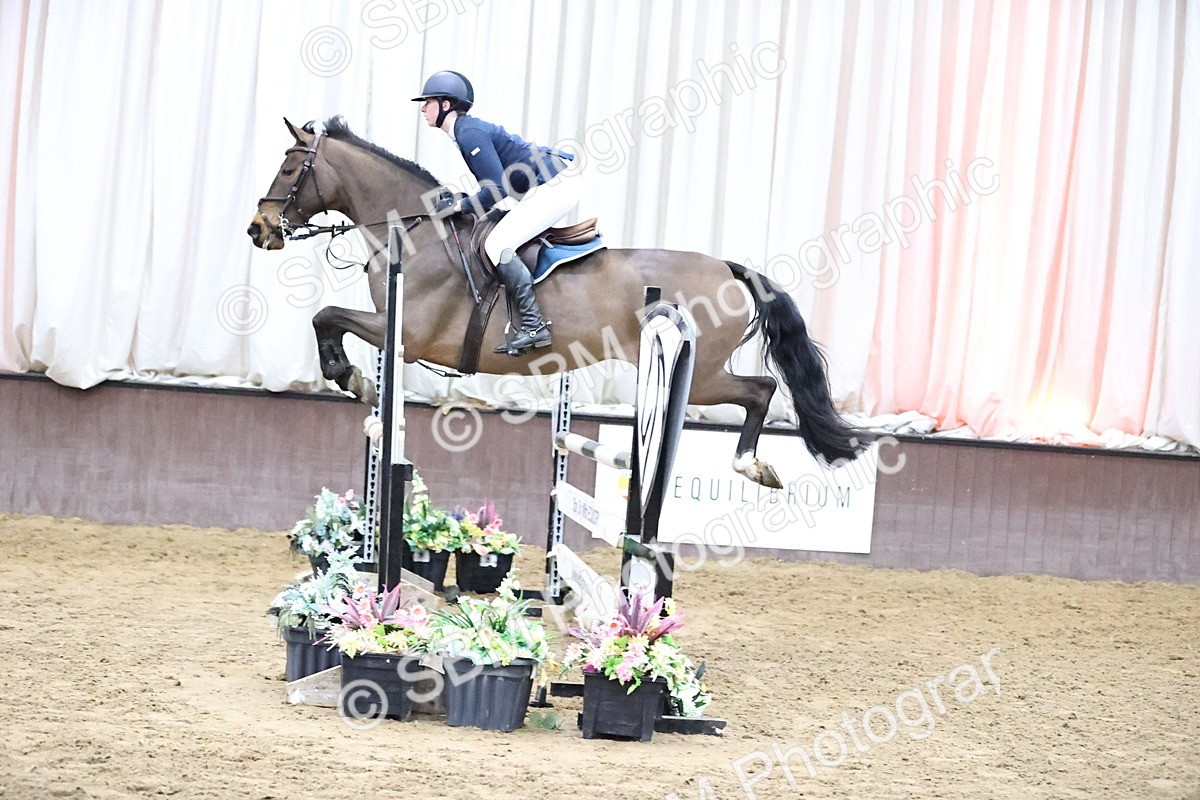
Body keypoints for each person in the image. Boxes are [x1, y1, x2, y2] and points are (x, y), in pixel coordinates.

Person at [413, 70, 582, 354]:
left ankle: (533, 325)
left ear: (446, 105)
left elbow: (496, 191)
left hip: (556, 183)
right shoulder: (464, 132)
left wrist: (459, 205)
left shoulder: (469, 133)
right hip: (546, 184)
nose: (422, 108)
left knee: (497, 244)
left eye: (428, 102)